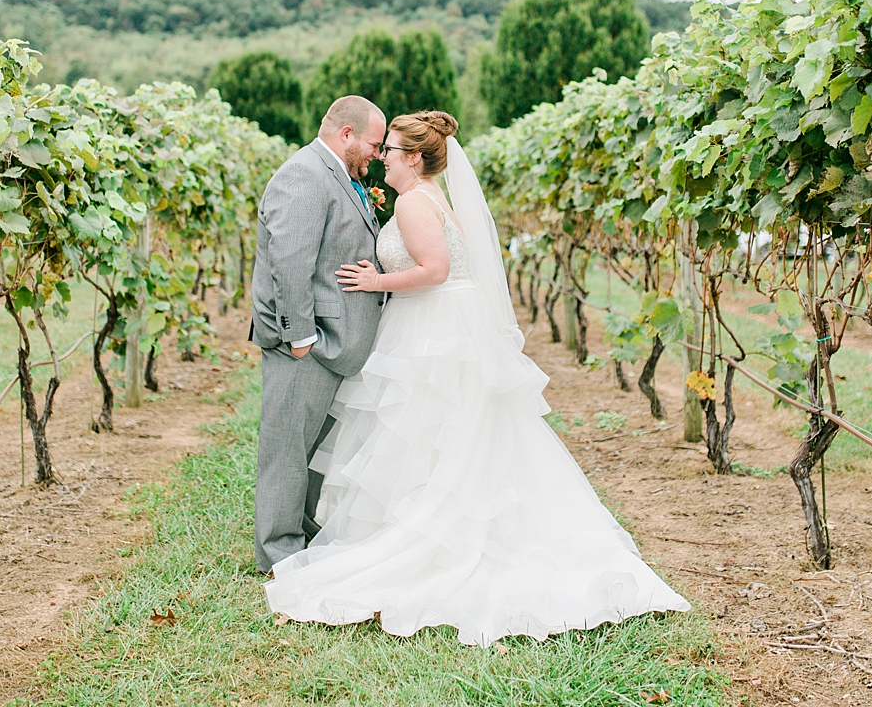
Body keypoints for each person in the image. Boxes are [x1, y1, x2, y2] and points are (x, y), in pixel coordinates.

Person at [265, 110, 689, 646]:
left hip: (434, 327)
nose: (382, 159)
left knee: (430, 431)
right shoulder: (430, 197)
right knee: (450, 435)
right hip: (444, 322)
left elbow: (435, 269)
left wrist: (377, 279)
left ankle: (428, 537)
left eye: (390, 151)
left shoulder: (416, 201)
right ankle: (431, 524)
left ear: (413, 159)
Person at [249, 95, 388, 574]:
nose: (378, 152)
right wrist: (300, 338)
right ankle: (278, 554)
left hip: (335, 342)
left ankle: (300, 535)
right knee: (287, 449)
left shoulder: (339, 175)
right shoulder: (304, 174)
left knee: (310, 451)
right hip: (308, 343)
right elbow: (290, 262)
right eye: (374, 143)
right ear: (346, 134)